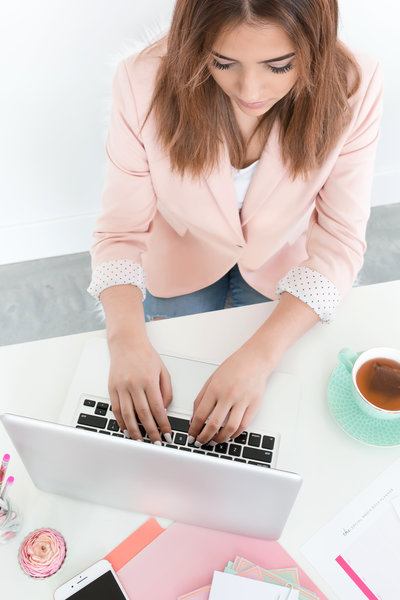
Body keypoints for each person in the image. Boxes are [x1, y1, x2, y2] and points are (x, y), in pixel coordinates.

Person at [88, 0, 383, 449]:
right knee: (173, 386)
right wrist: (124, 337)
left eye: (279, 66)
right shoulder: (140, 81)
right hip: (178, 259)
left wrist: (259, 357)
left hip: (281, 263)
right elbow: (120, 232)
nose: (250, 89)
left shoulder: (354, 86)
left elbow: (339, 237)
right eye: (223, 62)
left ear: (315, 46)